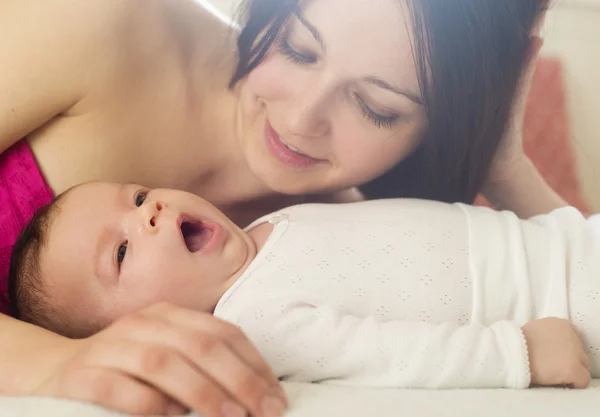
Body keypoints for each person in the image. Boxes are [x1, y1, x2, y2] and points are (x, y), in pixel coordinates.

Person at [0, 0, 559, 415]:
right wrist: (49, 362)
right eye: (298, 48)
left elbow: (563, 280)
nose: (298, 122)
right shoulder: (101, 23)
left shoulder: (357, 224)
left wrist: (504, 166)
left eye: (375, 107)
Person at [9, 181, 594, 390]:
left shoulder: (266, 227)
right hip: (562, 301)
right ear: (143, 333)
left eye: (136, 196)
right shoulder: (255, 319)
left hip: (561, 240)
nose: (151, 210)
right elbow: (387, 356)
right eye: (121, 251)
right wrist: (515, 353)